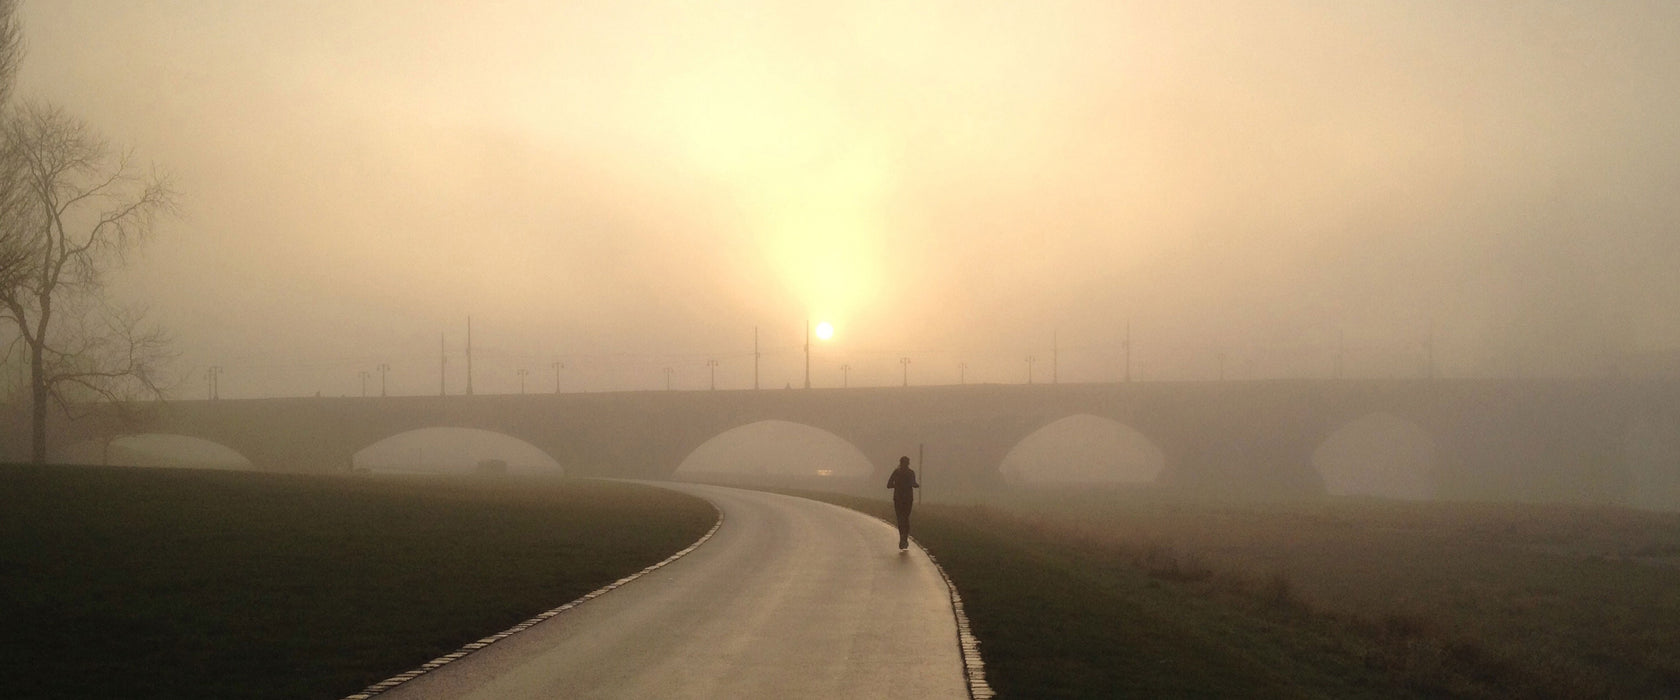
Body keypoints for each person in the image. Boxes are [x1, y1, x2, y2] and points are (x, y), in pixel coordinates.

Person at [886, 456, 919, 550]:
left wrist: (897, 485)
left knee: (900, 518)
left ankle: (902, 538)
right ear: (908, 463)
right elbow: (914, 484)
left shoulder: (896, 472)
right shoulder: (911, 473)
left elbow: (888, 485)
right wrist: (915, 485)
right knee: (906, 518)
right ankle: (905, 538)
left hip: (898, 498)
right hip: (908, 498)